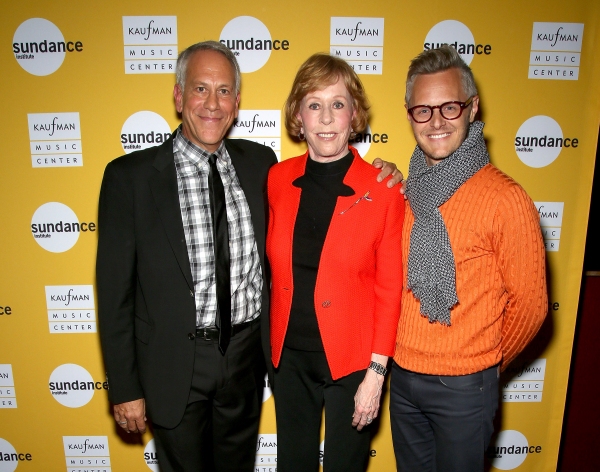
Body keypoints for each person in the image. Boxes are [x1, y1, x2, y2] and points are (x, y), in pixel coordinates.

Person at [96, 41, 401, 472]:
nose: (212, 104)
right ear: (179, 96)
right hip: (174, 364)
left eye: (224, 92)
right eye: (201, 89)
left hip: (246, 360)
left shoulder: (260, 164)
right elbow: (114, 297)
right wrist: (125, 387)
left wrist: (385, 173)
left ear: (237, 103)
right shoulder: (129, 179)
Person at [389, 45, 548, 472]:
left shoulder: (506, 198)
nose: (436, 121)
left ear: (472, 108)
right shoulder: (405, 192)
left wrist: (484, 362)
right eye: (423, 110)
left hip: (464, 386)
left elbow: (531, 307)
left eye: (450, 107)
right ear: (409, 115)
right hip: (402, 378)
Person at [267, 53, 405, 472]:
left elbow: (389, 288)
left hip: (354, 364)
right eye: (314, 104)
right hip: (288, 359)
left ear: (354, 114)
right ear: (298, 116)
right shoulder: (277, 179)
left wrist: (377, 374)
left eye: (338, 103)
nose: (326, 116)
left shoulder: (383, 189)